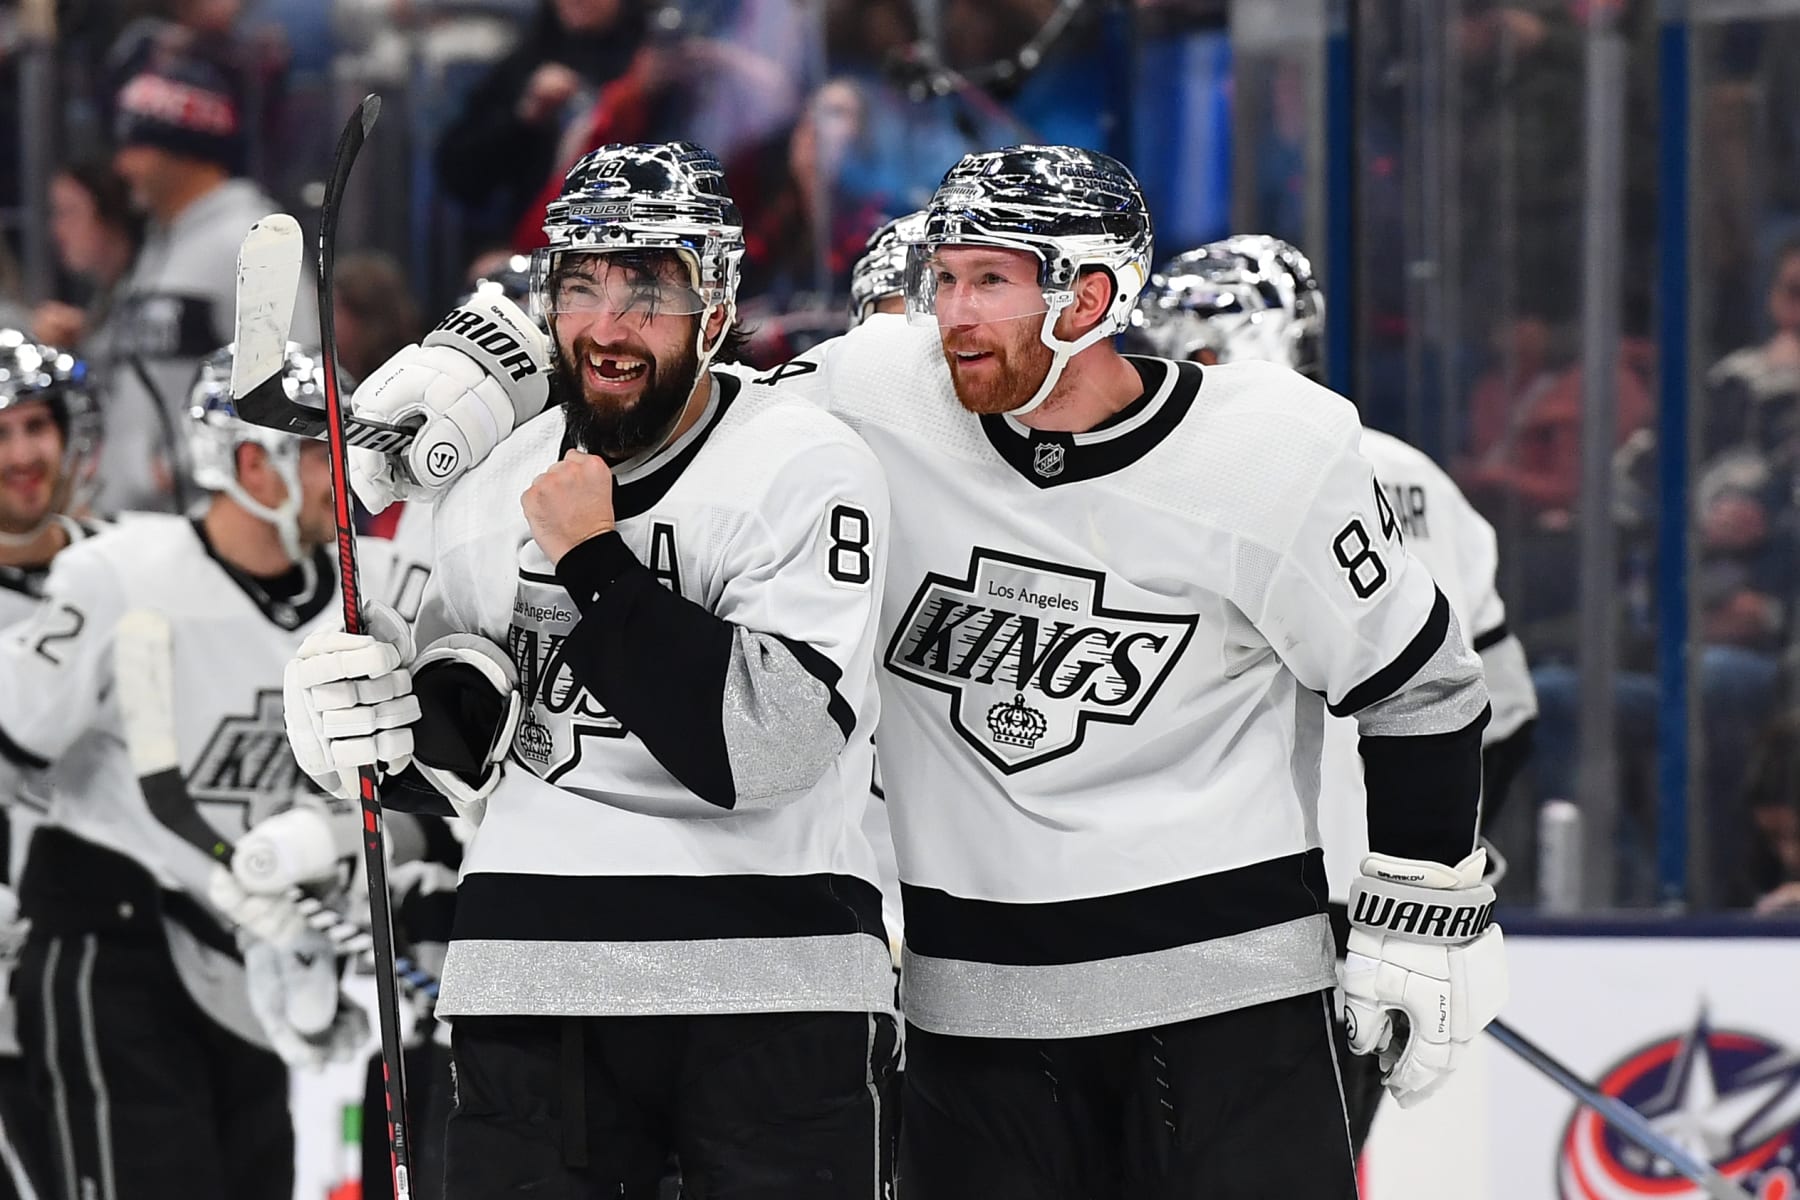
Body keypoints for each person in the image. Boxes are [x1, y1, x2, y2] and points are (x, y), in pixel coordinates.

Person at [340, 143, 1505, 1199]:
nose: (953, 311)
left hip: (1230, 1014)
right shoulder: (877, 397)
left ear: (1091, 297)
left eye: (992, 281)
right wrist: (476, 374)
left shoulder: (1270, 453)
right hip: (974, 1026)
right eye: (944, 277)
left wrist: (1424, 907)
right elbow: (658, 374)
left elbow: (1425, 686)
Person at [286, 142, 898, 1198]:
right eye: (581, 287)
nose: (608, 326)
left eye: (648, 292)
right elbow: (467, 754)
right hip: (527, 988)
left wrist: (594, 563)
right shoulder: (488, 479)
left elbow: (767, 747)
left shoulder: (806, 461)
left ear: (715, 308)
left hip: (773, 995)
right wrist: (360, 727)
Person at [1134, 233, 1537, 1156]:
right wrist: (1446, 850)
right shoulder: (1418, 476)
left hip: (1222, 895)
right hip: (1382, 893)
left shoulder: (1175, 478)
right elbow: (1504, 705)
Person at [0, 345, 380, 1200]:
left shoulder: (371, 591)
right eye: (317, 449)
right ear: (251, 464)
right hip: (115, 949)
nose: (343, 472)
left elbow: (410, 803)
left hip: (251, 963)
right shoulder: (120, 575)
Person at [92, 51, 313, 514]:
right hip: (142, 521)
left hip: (205, 520)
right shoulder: (162, 241)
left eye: (136, 147)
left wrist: (181, 466)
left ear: (181, 150)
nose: (122, 165)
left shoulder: (252, 238)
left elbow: (295, 379)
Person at [0, 331, 105, 1200]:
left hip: (125, 951)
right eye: (0, 433)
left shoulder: (132, 565)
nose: (22, 455)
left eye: (36, 426)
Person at [32, 162, 142, 351]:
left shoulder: (143, 292)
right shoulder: (109, 295)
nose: (57, 230)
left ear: (111, 214)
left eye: (68, 212)